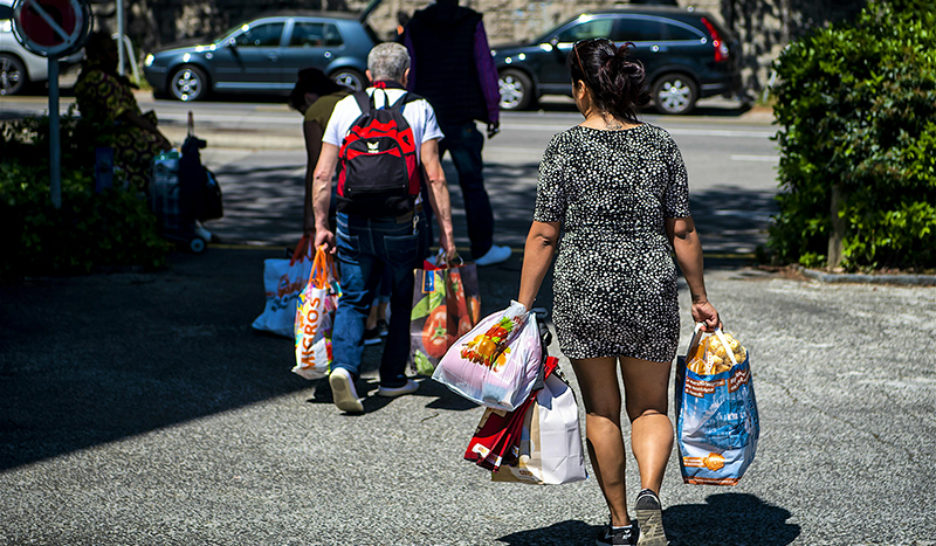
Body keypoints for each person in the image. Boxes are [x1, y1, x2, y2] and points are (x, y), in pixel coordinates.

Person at [516, 39, 721, 546]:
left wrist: (521, 306)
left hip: (583, 287)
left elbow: (544, 233)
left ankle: (621, 522)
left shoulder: (564, 148)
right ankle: (652, 494)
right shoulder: (660, 144)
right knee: (650, 408)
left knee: (601, 409)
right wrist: (698, 294)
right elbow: (683, 230)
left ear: (582, 88)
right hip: (649, 284)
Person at [313, 42, 456, 413]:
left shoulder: (346, 107)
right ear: (407, 75)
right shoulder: (419, 107)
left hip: (352, 219)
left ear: (367, 75)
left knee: (355, 297)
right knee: (400, 295)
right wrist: (447, 235)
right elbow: (435, 176)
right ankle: (393, 377)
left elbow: (322, 173)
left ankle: (344, 367)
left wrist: (320, 224)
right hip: (402, 221)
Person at [403, 0, 511, 266]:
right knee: (473, 186)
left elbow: (411, 70)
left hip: (427, 113)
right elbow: (484, 66)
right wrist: (492, 111)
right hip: (462, 114)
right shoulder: (471, 22)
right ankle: (482, 248)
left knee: (424, 186)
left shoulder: (416, 24)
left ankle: (424, 249)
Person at [75, 31, 172, 193]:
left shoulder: (104, 76)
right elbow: (125, 113)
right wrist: (157, 135)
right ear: (99, 55)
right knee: (161, 154)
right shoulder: (98, 79)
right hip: (112, 140)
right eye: (111, 51)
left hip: (115, 137)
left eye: (116, 51)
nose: (116, 56)